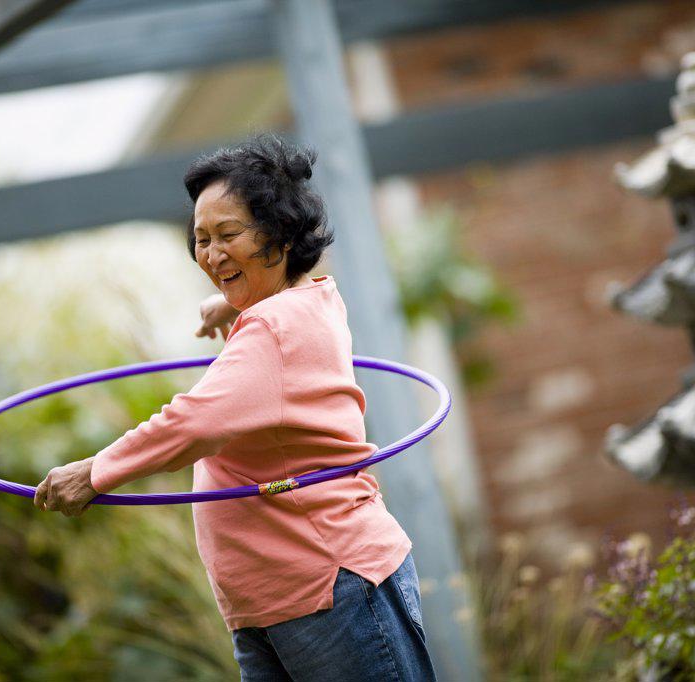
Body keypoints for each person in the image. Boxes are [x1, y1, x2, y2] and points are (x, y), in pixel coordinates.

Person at [33, 133, 437, 681]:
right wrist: (230, 299)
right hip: (270, 603)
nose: (211, 253)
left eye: (228, 234)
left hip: (327, 584)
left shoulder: (273, 326)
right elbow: (276, 343)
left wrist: (96, 472)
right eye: (201, 239)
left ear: (280, 235)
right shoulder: (306, 303)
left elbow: (199, 422)